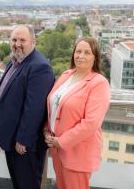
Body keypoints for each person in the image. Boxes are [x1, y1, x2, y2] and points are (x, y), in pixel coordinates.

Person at [0, 25, 55, 188]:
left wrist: (23, 140)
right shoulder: (13, 62)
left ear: (33, 42)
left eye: (22, 40)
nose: (17, 44)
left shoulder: (40, 67)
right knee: (18, 184)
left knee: (27, 184)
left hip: (25, 145)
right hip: (11, 139)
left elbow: (34, 108)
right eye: (14, 39)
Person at [44, 37, 110, 189]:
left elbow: (91, 123)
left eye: (87, 52)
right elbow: (53, 104)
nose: (81, 56)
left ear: (95, 57)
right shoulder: (66, 75)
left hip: (77, 153)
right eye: (78, 51)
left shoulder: (99, 83)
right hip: (56, 149)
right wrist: (47, 130)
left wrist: (61, 141)